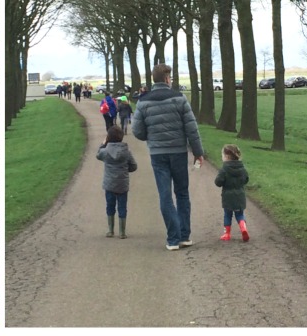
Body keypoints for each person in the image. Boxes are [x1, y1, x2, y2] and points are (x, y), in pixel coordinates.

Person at [132, 63, 208, 250]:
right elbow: (191, 128)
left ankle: (172, 239)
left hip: (158, 154)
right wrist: (198, 152)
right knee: (182, 193)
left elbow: (137, 131)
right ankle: (184, 236)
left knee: (165, 195)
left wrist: (151, 136)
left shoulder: (143, 101)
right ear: (167, 79)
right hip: (178, 152)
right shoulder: (179, 98)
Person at [97, 125, 137, 239]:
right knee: (122, 206)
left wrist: (103, 143)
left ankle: (110, 230)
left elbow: (98, 154)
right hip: (122, 184)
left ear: (108, 137)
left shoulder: (105, 152)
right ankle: (122, 231)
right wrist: (125, 170)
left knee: (110, 206)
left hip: (109, 184)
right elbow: (134, 166)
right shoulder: (126, 152)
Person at [215, 144, 250, 242]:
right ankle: (243, 228)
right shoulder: (242, 168)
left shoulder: (224, 169)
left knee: (227, 215)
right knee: (240, 214)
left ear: (226, 157)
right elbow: (246, 179)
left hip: (227, 196)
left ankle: (227, 234)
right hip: (240, 195)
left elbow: (218, 182)